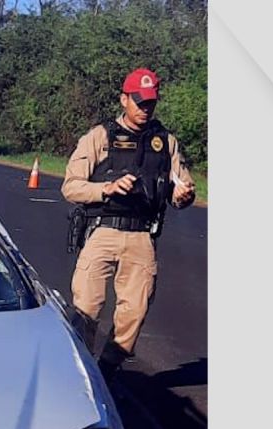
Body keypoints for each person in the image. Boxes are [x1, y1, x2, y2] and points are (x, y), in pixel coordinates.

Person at [61, 67, 196, 374]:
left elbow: (180, 190)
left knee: (133, 314)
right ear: (124, 99)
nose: (145, 109)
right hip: (103, 231)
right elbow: (70, 187)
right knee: (87, 308)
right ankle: (77, 373)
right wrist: (106, 188)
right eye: (139, 102)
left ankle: (108, 370)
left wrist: (184, 196)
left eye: (150, 102)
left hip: (141, 238)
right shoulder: (100, 137)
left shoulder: (166, 143)